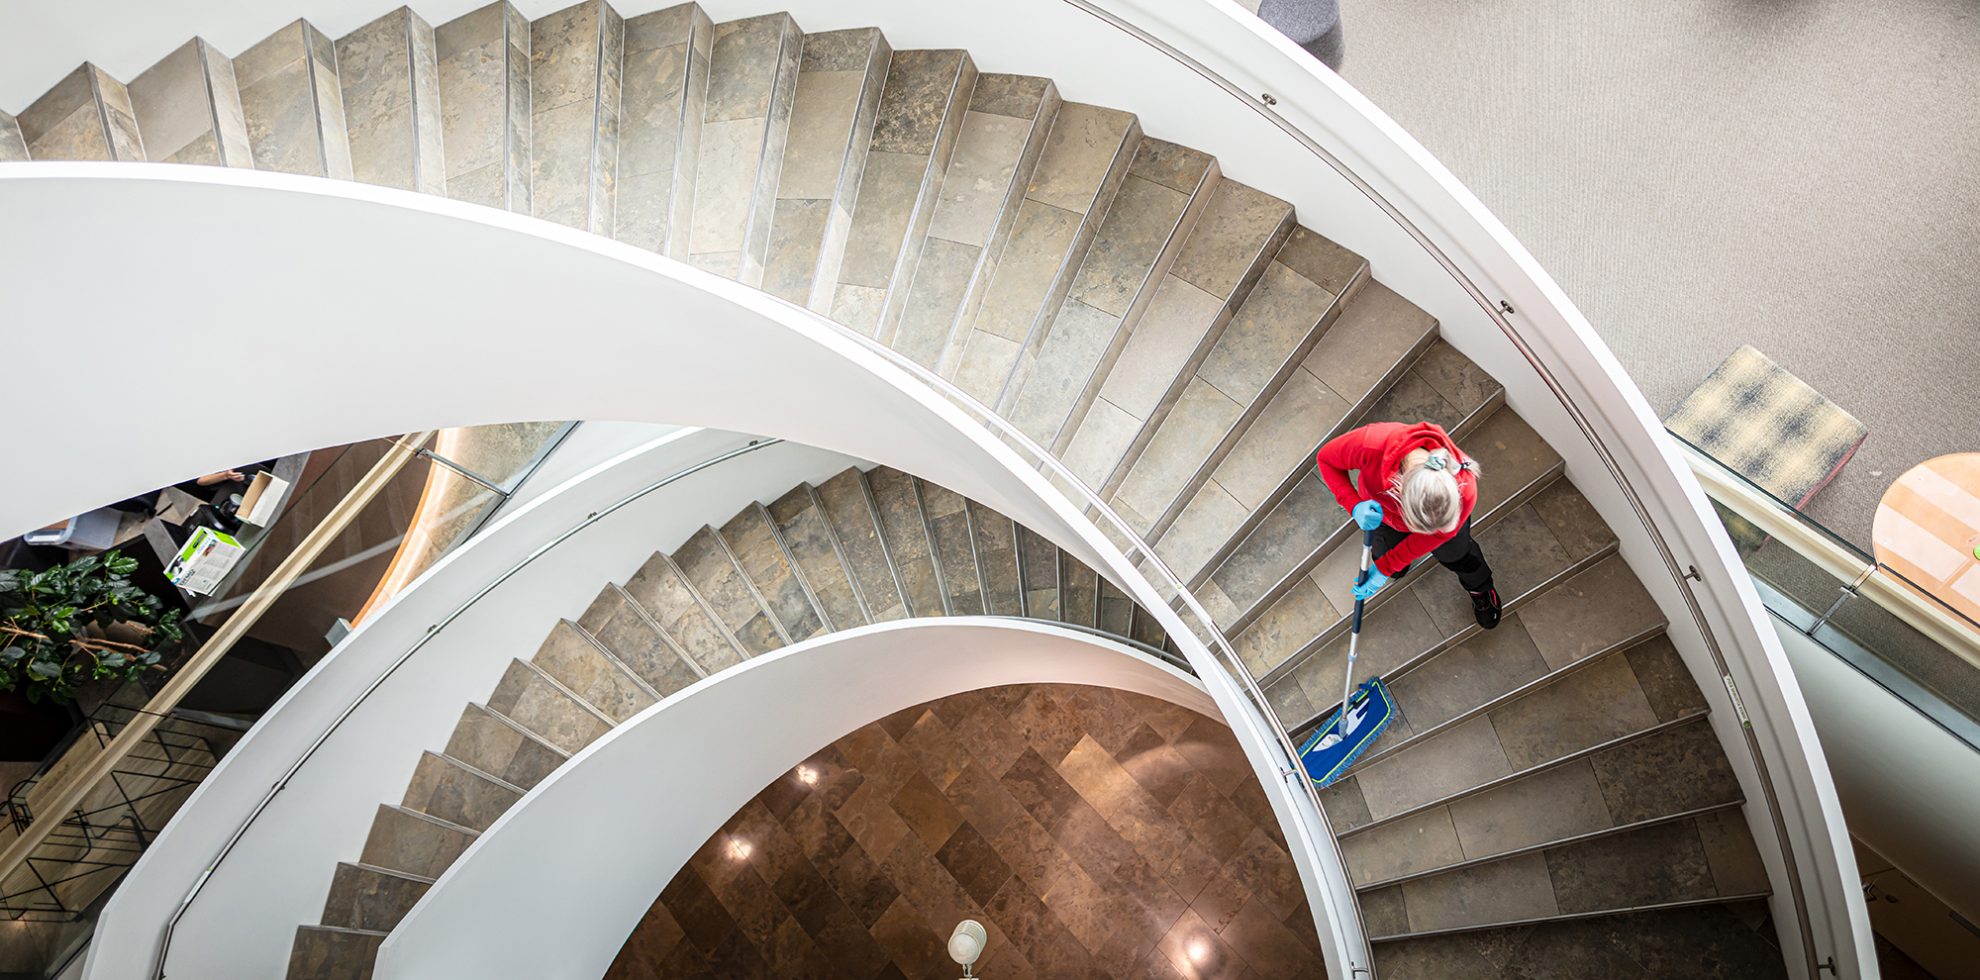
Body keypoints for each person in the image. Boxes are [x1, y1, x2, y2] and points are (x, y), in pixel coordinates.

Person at [1315, 421, 1500, 629]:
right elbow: (1326, 460)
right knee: (1388, 556)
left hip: (1443, 528)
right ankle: (1397, 565)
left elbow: (1437, 535)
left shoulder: (1465, 489)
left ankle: (1480, 588)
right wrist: (1354, 505)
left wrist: (1386, 566)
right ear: (1398, 488)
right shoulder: (1371, 444)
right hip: (1384, 517)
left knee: (1460, 557)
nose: (1420, 535)